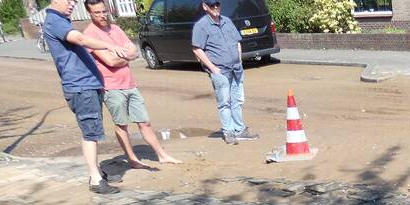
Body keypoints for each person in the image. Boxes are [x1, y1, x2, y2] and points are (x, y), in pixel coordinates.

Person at [82, 0, 180, 168]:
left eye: (104, 11)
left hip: (129, 83)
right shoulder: (90, 34)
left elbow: (134, 51)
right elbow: (110, 61)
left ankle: (162, 155)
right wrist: (127, 55)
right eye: (97, 13)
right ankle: (132, 158)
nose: (102, 15)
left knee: (144, 121)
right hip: (111, 87)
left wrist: (126, 54)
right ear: (89, 13)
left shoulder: (116, 29)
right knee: (122, 124)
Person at [42, 0, 127, 193]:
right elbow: (79, 39)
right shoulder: (55, 21)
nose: (72, 4)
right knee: (91, 133)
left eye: (74, 1)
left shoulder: (60, 19)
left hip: (87, 85)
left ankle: (96, 172)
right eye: (68, 0)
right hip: (81, 87)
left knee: (93, 130)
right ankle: (96, 180)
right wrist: (108, 46)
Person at [190, 1, 259, 146]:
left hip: (236, 69)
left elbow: (237, 42)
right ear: (205, 7)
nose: (215, 8)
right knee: (225, 103)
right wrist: (213, 68)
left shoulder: (227, 21)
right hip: (221, 71)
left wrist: (239, 60)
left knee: (237, 101)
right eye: (212, 5)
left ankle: (239, 130)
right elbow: (197, 49)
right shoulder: (201, 26)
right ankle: (229, 132)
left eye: (217, 5)